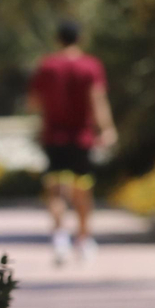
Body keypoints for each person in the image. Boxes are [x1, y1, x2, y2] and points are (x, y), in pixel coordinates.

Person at [29, 20, 116, 265]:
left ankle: (60, 239)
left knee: (55, 189)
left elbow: (33, 102)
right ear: (80, 38)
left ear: (58, 39)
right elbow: (97, 100)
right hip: (81, 138)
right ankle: (84, 239)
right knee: (82, 189)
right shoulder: (90, 66)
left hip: (53, 137)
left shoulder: (47, 66)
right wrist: (107, 129)